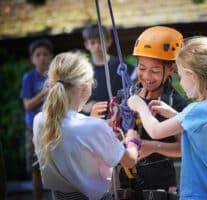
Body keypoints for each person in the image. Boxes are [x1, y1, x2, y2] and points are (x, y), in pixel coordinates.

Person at [127, 36, 207, 199]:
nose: (181, 82)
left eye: (181, 75)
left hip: (198, 195)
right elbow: (200, 133)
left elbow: (156, 131)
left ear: (192, 76)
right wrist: (174, 114)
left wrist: (140, 106)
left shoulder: (197, 110)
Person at [32, 52, 141, 200]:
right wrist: (132, 139)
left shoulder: (39, 120)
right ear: (84, 88)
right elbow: (129, 161)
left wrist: (94, 124)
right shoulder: (92, 127)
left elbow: (73, 141)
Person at [118, 26, 188, 199]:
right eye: (141, 68)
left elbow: (185, 148)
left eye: (155, 71)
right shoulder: (127, 97)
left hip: (160, 183)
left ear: (171, 68)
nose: (147, 75)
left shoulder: (175, 104)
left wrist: (153, 147)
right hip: (126, 181)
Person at [20, 38, 54, 200]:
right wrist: (44, 93)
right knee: (36, 169)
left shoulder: (55, 76)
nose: (42, 58)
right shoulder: (29, 78)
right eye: (38, 55)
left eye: (45, 54)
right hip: (33, 128)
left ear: (51, 57)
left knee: (56, 166)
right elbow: (27, 105)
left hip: (53, 126)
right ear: (32, 59)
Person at [81, 24, 134, 118]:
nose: (97, 46)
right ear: (86, 45)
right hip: (94, 121)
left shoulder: (121, 66)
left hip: (118, 120)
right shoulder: (82, 71)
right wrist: (84, 107)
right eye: (93, 42)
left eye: (100, 42)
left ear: (109, 41)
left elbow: (137, 80)